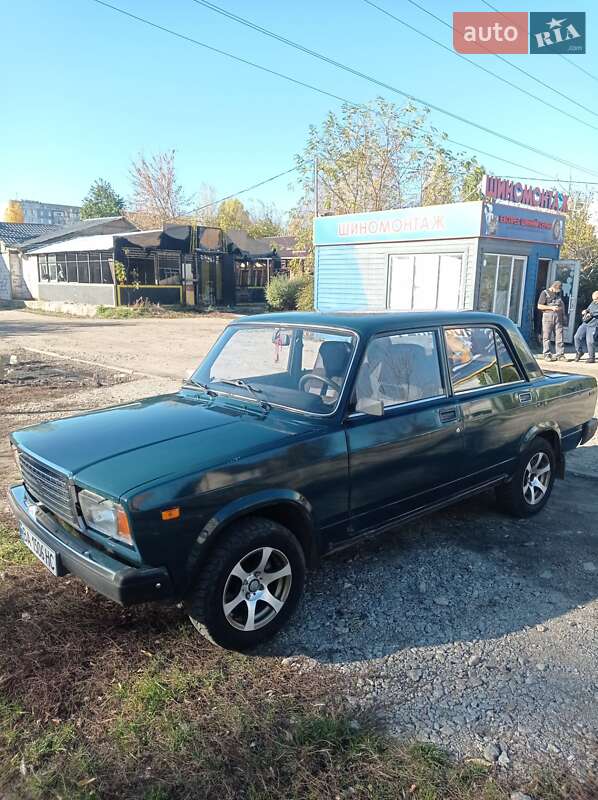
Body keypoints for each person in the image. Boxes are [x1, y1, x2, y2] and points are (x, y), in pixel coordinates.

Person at [537, 281, 566, 361]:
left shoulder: (559, 294)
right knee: (546, 336)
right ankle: (547, 354)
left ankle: (560, 354)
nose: (558, 292)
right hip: (547, 316)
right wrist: (551, 308)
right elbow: (539, 306)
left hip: (558, 317)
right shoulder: (544, 293)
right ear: (553, 287)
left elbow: (562, 304)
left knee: (560, 336)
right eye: (557, 290)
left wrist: (563, 315)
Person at [573, 290, 598, 364]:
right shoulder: (593, 302)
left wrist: (589, 313)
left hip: (593, 324)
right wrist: (585, 311)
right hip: (586, 323)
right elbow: (589, 309)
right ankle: (579, 352)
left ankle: (591, 357)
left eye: (596, 299)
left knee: (590, 341)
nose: (594, 301)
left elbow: (593, 312)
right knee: (577, 337)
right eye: (593, 299)